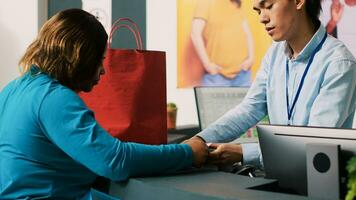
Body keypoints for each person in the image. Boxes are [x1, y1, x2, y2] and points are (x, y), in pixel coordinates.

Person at [0, 9, 208, 199]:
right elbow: (115, 161)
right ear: (80, 56)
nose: (103, 69)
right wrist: (188, 153)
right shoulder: (54, 98)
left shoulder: (14, 88)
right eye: (99, 60)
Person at [187, 0, 356, 168]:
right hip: (280, 175)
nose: (262, 18)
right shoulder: (274, 54)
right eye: (258, 11)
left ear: (298, 2)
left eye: (268, 6)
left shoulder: (339, 63)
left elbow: (315, 142)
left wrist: (243, 153)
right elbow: (250, 109)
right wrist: (198, 141)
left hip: (319, 183)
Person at [191, 0, 255, 87]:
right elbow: (195, 34)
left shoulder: (235, 4)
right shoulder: (205, 3)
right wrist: (208, 65)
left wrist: (251, 58)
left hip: (243, 74)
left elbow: (248, 34)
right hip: (217, 76)